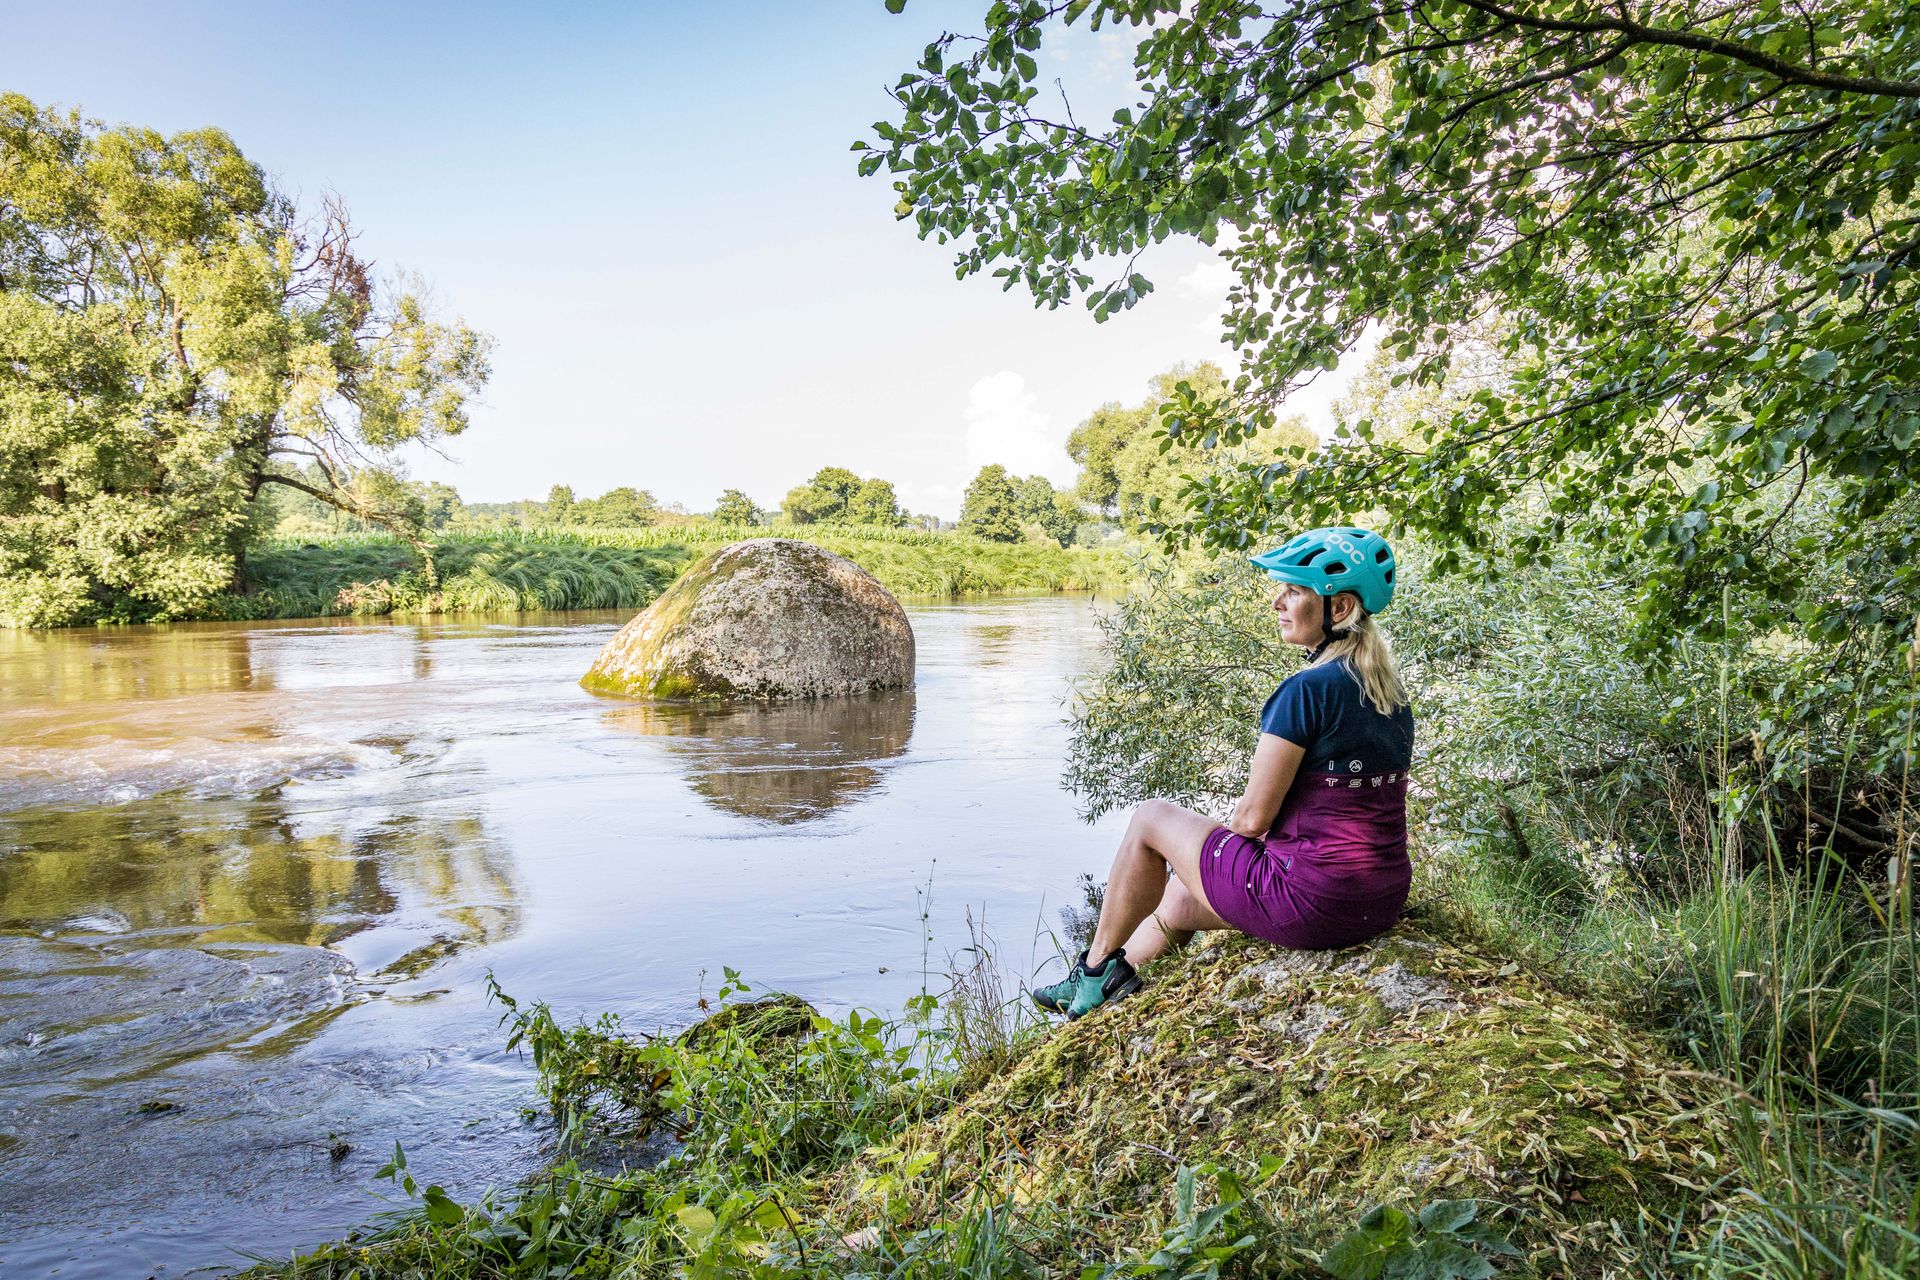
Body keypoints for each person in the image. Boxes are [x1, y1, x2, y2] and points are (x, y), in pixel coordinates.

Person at [1033, 526, 1415, 1020]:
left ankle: (1092, 967)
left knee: (1151, 819)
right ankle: (1098, 1003)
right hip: (1375, 901)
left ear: (1338, 610)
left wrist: (1215, 841)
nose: (1278, 602)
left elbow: (1253, 821)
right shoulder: (1390, 693)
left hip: (1311, 905)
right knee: (1178, 895)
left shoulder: (1306, 690)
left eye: (1295, 591)